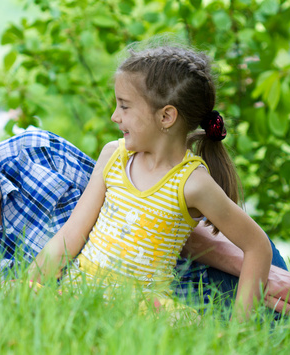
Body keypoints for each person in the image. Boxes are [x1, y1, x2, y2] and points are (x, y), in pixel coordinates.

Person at [0, 81, 290, 317]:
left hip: (190, 265)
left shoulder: (35, 151)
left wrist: (240, 261)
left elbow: (148, 209)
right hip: (139, 314)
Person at [28, 45, 274, 320]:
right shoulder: (114, 155)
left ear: (166, 117)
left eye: (124, 106)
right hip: (82, 294)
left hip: (143, 312)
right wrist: (30, 285)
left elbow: (257, 246)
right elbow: (71, 233)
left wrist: (238, 330)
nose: (115, 116)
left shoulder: (192, 183)